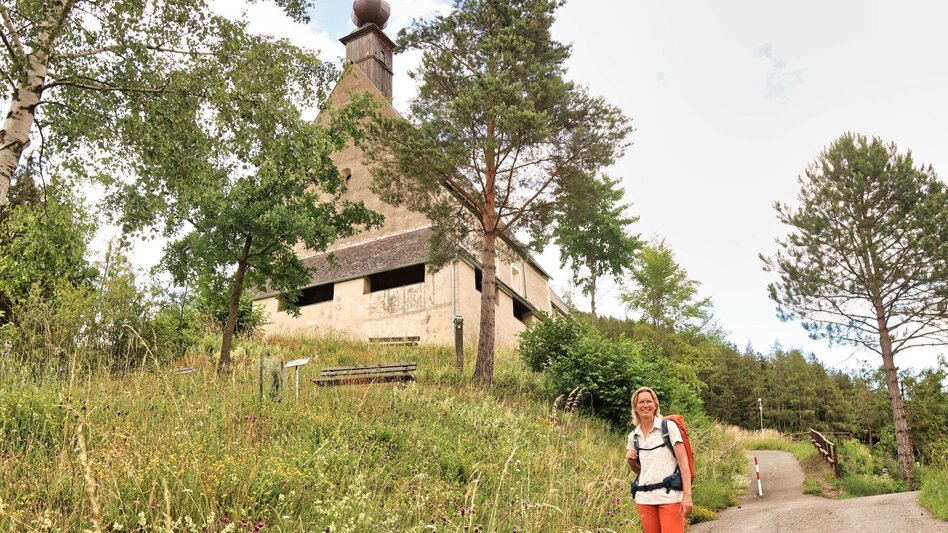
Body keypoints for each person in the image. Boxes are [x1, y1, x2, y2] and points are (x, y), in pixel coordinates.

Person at [626, 386, 693, 533]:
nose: (645, 405)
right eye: (641, 402)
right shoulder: (633, 436)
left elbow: (683, 463)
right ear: (635, 407)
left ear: (655, 405)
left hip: (670, 497)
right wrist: (631, 462)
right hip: (645, 499)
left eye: (649, 401)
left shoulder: (669, 428)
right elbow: (640, 470)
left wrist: (687, 496)